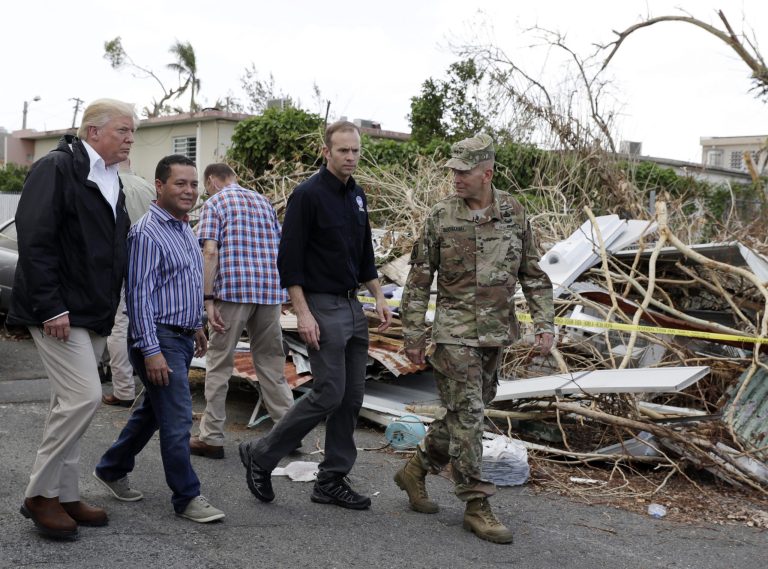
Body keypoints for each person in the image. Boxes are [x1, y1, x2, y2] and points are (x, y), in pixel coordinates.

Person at [396, 134, 555, 544]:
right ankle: (476, 504)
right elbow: (417, 281)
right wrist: (413, 333)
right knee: (470, 416)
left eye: (463, 171)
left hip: (496, 334)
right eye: (453, 170)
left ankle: (414, 471)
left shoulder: (514, 213)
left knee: (462, 415)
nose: (455, 177)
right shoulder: (440, 216)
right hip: (453, 334)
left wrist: (545, 324)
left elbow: (533, 275)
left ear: (487, 173)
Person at [238, 121, 392, 510]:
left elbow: (364, 257)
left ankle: (331, 480)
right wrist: (303, 314)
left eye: (356, 150)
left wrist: (379, 297)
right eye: (343, 151)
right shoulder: (306, 195)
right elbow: (288, 263)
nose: (351, 157)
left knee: (352, 397)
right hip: (321, 305)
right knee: (329, 392)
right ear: (326, 152)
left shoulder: (356, 195)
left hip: (352, 305)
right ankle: (263, 452)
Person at [8, 99, 136, 539]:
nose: (130, 138)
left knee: (70, 405)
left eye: (132, 131)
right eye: (123, 130)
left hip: (93, 311)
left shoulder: (110, 176)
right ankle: (39, 494)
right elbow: (36, 237)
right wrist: (51, 306)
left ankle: (64, 493)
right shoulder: (58, 167)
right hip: (59, 310)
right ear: (93, 131)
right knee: (84, 397)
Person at [92, 155, 225, 524]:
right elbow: (139, 295)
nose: (189, 191)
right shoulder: (147, 233)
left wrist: (196, 323)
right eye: (180, 184)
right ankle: (187, 496)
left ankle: (111, 467)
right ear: (160, 186)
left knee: (153, 412)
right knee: (178, 419)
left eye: (194, 184)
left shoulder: (184, 228)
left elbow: (181, 285)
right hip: (159, 339)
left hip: (180, 337)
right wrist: (151, 352)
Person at [190, 163, 294, 459]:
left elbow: (210, 250)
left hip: (232, 292)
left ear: (211, 181)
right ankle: (289, 433)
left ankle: (211, 437)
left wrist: (207, 299)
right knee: (272, 365)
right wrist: (283, 291)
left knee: (220, 364)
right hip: (269, 293)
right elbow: (279, 246)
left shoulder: (215, 203)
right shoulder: (263, 202)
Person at [102, 167, 156, 407]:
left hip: (124, 259)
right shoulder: (146, 185)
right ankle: (151, 383)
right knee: (147, 320)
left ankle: (123, 389)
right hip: (151, 257)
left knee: (120, 325)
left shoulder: (111, 184)